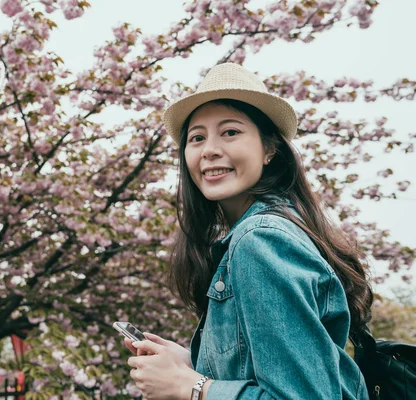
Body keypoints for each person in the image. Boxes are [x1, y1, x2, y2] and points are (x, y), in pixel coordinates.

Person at [123, 63, 372, 400]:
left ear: (270, 149)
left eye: (230, 132)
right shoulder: (278, 228)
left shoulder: (261, 240)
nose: (209, 149)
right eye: (197, 137)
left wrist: (189, 388)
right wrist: (192, 362)